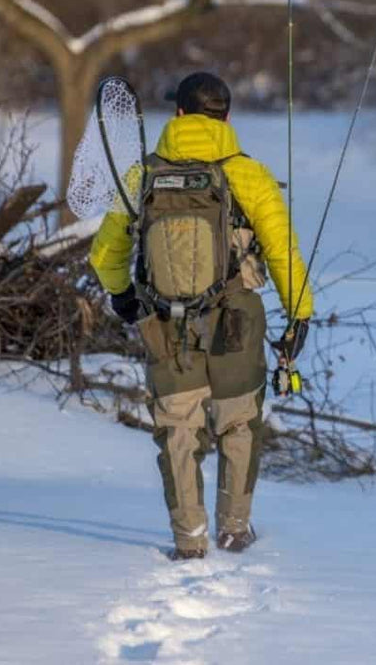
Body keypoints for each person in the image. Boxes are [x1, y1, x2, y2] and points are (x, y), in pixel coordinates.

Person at [88, 72, 312, 559]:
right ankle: (234, 530)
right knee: (237, 423)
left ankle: (189, 540)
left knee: (177, 428)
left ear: (180, 114)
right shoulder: (247, 173)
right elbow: (281, 250)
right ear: (226, 117)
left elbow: (107, 252)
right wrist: (300, 316)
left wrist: (123, 295)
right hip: (236, 318)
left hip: (165, 322)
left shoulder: (141, 173)